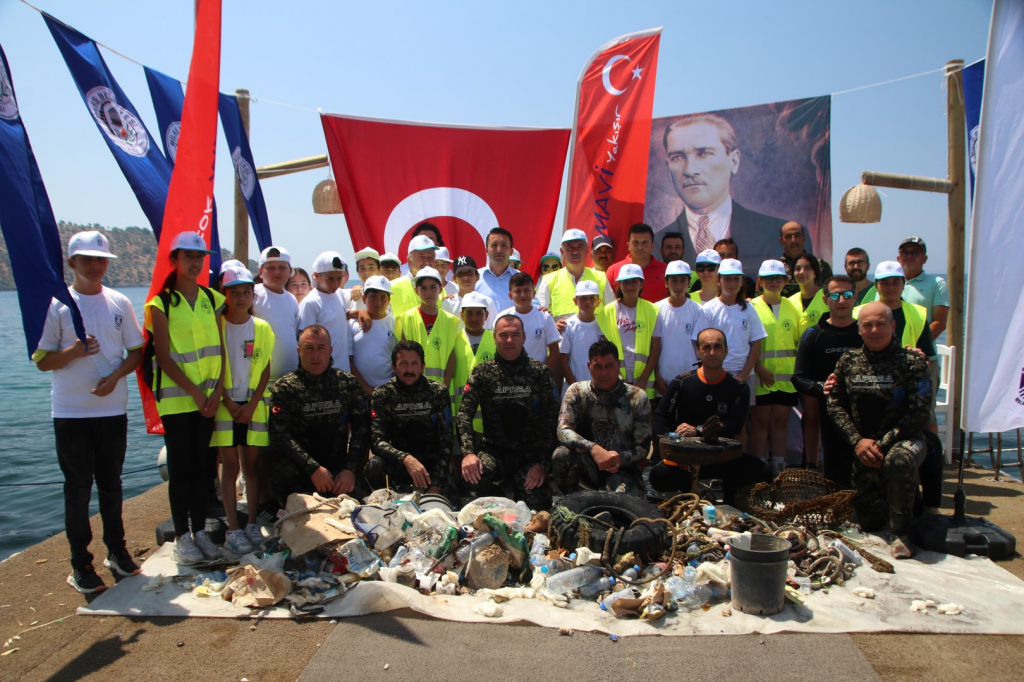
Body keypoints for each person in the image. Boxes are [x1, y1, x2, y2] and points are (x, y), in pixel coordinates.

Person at [35, 231, 145, 592]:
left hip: (112, 410)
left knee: (112, 485)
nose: (95, 266)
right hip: (71, 413)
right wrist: (75, 352)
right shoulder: (56, 305)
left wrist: (114, 378)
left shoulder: (118, 303)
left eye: (101, 260)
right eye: (87, 260)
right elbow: (42, 361)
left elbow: (135, 352)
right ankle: (81, 563)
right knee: (79, 489)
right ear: (72, 263)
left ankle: (117, 551)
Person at [146, 231, 226, 566]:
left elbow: (220, 349)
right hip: (179, 401)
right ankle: (182, 537)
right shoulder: (160, 303)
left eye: (200, 257)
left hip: (208, 399)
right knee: (181, 469)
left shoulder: (212, 299)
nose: (195, 263)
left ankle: (200, 533)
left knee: (203, 469)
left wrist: (218, 390)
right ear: (175, 260)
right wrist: (196, 392)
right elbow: (163, 356)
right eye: (188, 257)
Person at [827, 302, 931, 559]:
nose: (874, 330)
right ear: (859, 330)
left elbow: (918, 413)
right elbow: (834, 403)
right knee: (870, 522)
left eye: (881, 324)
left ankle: (902, 533)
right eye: (867, 325)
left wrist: (879, 444)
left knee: (897, 460)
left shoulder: (913, 362)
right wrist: (857, 441)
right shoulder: (848, 362)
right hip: (863, 446)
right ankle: (907, 500)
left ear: (893, 326)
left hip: (905, 441)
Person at [658, 113, 788, 280]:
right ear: (668, 167)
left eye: (703, 154)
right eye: (677, 157)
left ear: (733, 161)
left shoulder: (772, 235)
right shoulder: (655, 245)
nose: (690, 170)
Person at [649, 329, 772, 504]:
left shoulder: (738, 387)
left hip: (721, 456)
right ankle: (689, 498)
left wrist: (699, 431)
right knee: (658, 476)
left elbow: (734, 425)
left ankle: (731, 502)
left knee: (762, 472)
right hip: (686, 459)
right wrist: (676, 452)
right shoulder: (681, 383)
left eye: (717, 347)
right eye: (706, 347)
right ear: (698, 351)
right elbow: (661, 419)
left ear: (726, 351)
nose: (712, 352)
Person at [458, 315, 559, 510]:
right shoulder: (481, 372)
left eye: (515, 335)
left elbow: (551, 418)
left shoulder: (540, 373)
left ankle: (519, 490)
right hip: (494, 452)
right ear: (494, 337)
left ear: (524, 337)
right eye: (503, 335)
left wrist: (543, 463)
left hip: (529, 456)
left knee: (537, 503)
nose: (509, 340)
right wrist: (468, 453)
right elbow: (464, 414)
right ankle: (500, 496)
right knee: (472, 482)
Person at [211, 267, 273, 555]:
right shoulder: (216, 326)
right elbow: (214, 367)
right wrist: (228, 401)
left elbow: (264, 370)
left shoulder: (261, 328)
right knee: (230, 466)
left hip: (253, 406)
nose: (240, 297)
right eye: (233, 291)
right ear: (225, 294)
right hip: (225, 407)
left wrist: (251, 404)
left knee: (252, 466)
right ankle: (232, 528)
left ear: (253, 294)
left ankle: (251, 522)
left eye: (246, 291)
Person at [269, 325, 369, 503]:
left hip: (338, 471)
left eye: (321, 348)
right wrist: (313, 468)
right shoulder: (285, 387)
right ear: (299, 351)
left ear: (330, 350)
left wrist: (350, 470)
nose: (315, 355)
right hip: (300, 468)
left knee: (363, 506)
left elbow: (361, 429)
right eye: (309, 348)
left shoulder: (347, 383)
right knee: (282, 475)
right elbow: (279, 434)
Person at [552, 339, 652, 498]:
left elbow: (643, 447)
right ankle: (572, 501)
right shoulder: (576, 391)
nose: (603, 373)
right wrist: (594, 449)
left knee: (625, 509)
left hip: (622, 469)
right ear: (589, 366)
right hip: (588, 465)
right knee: (561, 455)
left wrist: (618, 459)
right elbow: (563, 431)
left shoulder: (637, 397)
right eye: (597, 366)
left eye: (609, 366)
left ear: (618, 365)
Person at [793, 275, 863, 485]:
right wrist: (822, 388)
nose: (841, 300)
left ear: (855, 297)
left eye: (847, 295)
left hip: (864, 413)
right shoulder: (813, 335)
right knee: (835, 475)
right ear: (825, 299)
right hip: (831, 412)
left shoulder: (865, 332)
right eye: (835, 295)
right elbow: (799, 378)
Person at [365, 341, 454, 496]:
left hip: (431, 464)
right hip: (399, 462)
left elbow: (446, 442)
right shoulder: (383, 394)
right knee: (374, 467)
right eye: (403, 363)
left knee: (448, 503)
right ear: (393, 367)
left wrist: (436, 485)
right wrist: (405, 458)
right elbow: (377, 441)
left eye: (414, 363)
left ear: (422, 366)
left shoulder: (438, 392)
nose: (409, 369)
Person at [691, 258, 767, 429]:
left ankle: (738, 457)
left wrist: (745, 373)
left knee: (740, 425)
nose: (732, 283)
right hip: (715, 376)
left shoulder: (749, 309)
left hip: (744, 376)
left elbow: (756, 342)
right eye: (727, 278)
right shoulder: (709, 309)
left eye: (736, 278)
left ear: (741, 281)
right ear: (718, 280)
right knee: (712, 422)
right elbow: (698, 341)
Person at [749, 260, 802, 470]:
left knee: (780, 423)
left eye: (778, 278)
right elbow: (748, 344)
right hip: (762, 377)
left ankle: (778, 469)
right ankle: (758, 469)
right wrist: (758, 368)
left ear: (785, 281)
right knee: (760, 424)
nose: (773, 282)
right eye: (768, 278)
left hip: (786, 379)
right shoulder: (751, 306)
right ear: (760, 281)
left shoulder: (791, 306)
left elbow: (796, 342)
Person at [597, 263, 662, 399]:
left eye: (634, 282)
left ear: (641, 284)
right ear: (619, 284)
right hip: (615, 380)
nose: (630, 286)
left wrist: (643, 378)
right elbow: (603, 347)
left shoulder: (652, 310)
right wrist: (617, 377)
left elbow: (656, 347)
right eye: (626, 282)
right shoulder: (608, 311)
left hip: (644, 383)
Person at [536, 229, 614, 328]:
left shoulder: (601, 278)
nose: (575, 251)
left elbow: (614, 313)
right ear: (562, 251)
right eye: (570, 247)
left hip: (596, 341)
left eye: (580, 246)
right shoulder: (549, 280)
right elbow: (538, 316)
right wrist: (553, 327)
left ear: (587, 249)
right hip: (562, 341)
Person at [451, 292, 497, 447]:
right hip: (461, 410)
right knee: (460, 454)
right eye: (469, 313)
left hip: (489, 413)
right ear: (461, 315)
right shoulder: (453, 339)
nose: (474, 318)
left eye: (479, 313)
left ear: (487, 315)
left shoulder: (495, 339)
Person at [298, 252, 356, 373]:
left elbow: (341, 316)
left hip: (343, 371)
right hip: (322, 374)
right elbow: (305, 341)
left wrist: (360, 313)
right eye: (330, 279)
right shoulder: (311, 303)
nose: (335, 284)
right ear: (316, 276)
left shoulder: (338, 294)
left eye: (339, 278)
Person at [655, 261, 701, 399]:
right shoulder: (656, 309)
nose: (678, 285)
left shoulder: (698, 310)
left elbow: (701, 349)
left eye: (683, 280)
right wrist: (657, 376)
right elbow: (652, 348)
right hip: (663, 381)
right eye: (674, 280)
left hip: (691, 381)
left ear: (689, 283)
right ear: (666, 283)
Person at [253, 246, 299, 383]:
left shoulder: (292, 299)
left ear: (290, 271)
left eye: (282, 267)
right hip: (261, 381)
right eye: (270, 268)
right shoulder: (253, 295)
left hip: (291, 379)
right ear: (261, 272)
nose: (277, 272)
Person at [499, 272, 561, 374]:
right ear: (510, 295)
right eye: (517, 291)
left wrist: (542, 374)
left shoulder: (544, 316)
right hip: (511, 377)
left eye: (527, 290)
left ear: (534, 293)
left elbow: (554, 351)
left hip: (538, 379)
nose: (523, 294)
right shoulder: (502, 318)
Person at [350, 276, 398, 397]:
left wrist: (388, 387)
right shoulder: (352, 324)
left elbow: (400, 360)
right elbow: (348, 360)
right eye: (373, 297)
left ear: (389, 300)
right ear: (364, 298)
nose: (378, 302)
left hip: (389, 392)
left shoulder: (396, 324)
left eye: (383, 297)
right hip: (358, 391)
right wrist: (366, 388)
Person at [605, 223, 668, 302]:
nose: (640, 247)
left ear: (652, 246)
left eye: (644, 243)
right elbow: (607, 303)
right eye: (635, 243)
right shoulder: (613, 270)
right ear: (628, 245)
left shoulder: (666, 270)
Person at [442, 255, 500, 330]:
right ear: (454, 278)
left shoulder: (487, 302)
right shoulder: (448, 303)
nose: (465, 277)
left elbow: (493, 330)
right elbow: (447, 331)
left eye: (469, 273)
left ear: (477, 276)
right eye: (460, 274)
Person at [778, 221, 832, 298]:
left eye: (797, 235)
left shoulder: (821, 266)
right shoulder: (776, 269)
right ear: (781, 241)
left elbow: (832, 294)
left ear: (804, 238)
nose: (794, 240)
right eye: (788, 236)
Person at [391, 235, 438, 316]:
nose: (427, 262)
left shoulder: (441, 291)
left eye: (430, 257)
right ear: (409, 260)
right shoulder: (391, 288)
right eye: (421, 256)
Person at [789, 254, 828, 335]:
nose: (802, 272)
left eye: (807, 268)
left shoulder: (827, 296)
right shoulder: (789, 301)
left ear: (815, 273)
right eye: (797, 269)